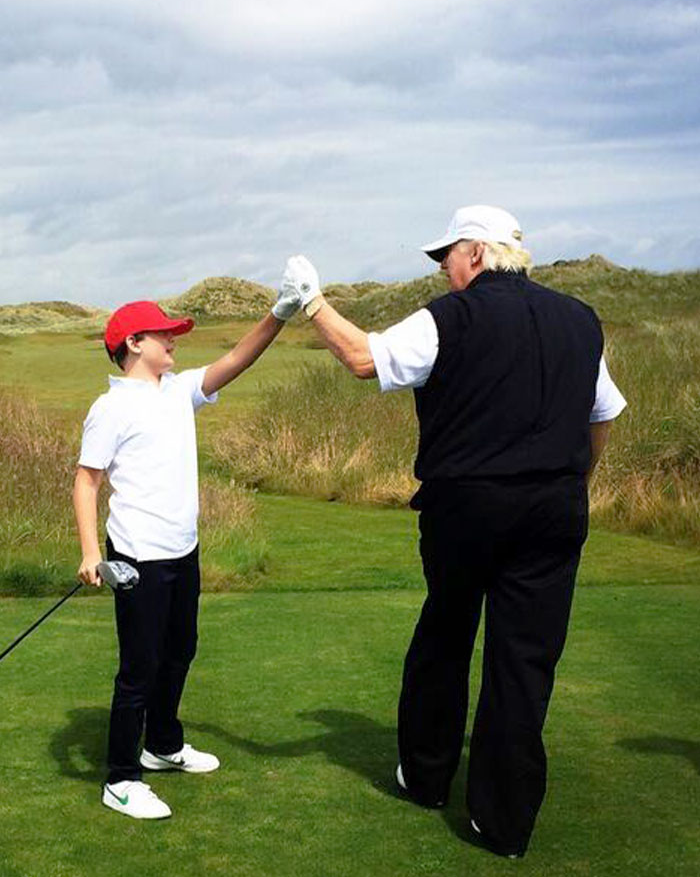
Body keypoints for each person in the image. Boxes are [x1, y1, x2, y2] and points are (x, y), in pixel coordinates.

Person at [280, 205, 626, 858]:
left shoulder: (451, 316)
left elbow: (363, 359)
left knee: (446, 631)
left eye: (446, 258)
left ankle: (429, 776)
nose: (442, 271)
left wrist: (313, 302)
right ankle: (505, 822)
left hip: (467, 504)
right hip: (555, 507)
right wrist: (577, 483)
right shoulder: (579, 318)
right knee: (525, 660)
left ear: (476, 251)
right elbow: (602, 414)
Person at [73, 285, 300, 819]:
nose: (175, 340)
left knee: (180, 652)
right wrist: (89, 553)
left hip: (183, 549)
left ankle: (162, 745)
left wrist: (280, 313)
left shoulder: (177, 390)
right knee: (139, 668)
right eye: (165, 334)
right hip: (135, 555)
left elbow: (235, 360)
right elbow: (87, 483)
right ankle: (120, 778)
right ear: (133, 343)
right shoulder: (110, 407)